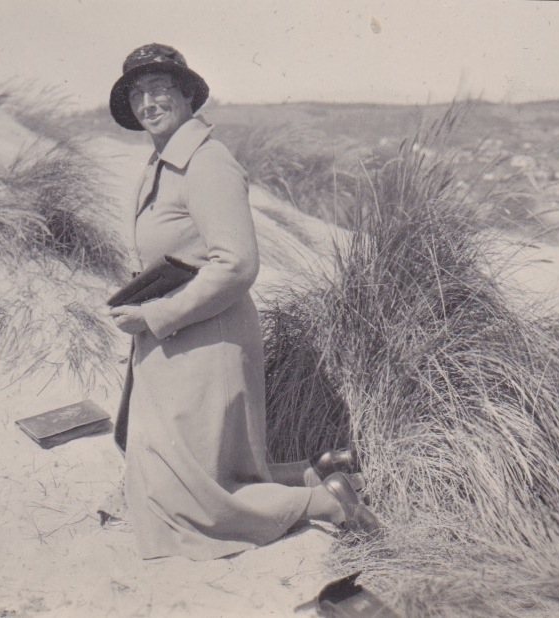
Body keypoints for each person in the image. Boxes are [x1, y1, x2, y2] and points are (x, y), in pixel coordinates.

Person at [106, 43, 381, 560]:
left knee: (191, 500)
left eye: (160, 89)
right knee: (190, 474)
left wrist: (155, 313)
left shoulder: (207, 163)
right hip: (178, 338)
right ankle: (314, 472)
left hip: (205, 339)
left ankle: (326, 502)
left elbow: (236, 265)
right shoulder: (164, 163)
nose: (148, 102)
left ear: (187, 95)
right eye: (137, 93)